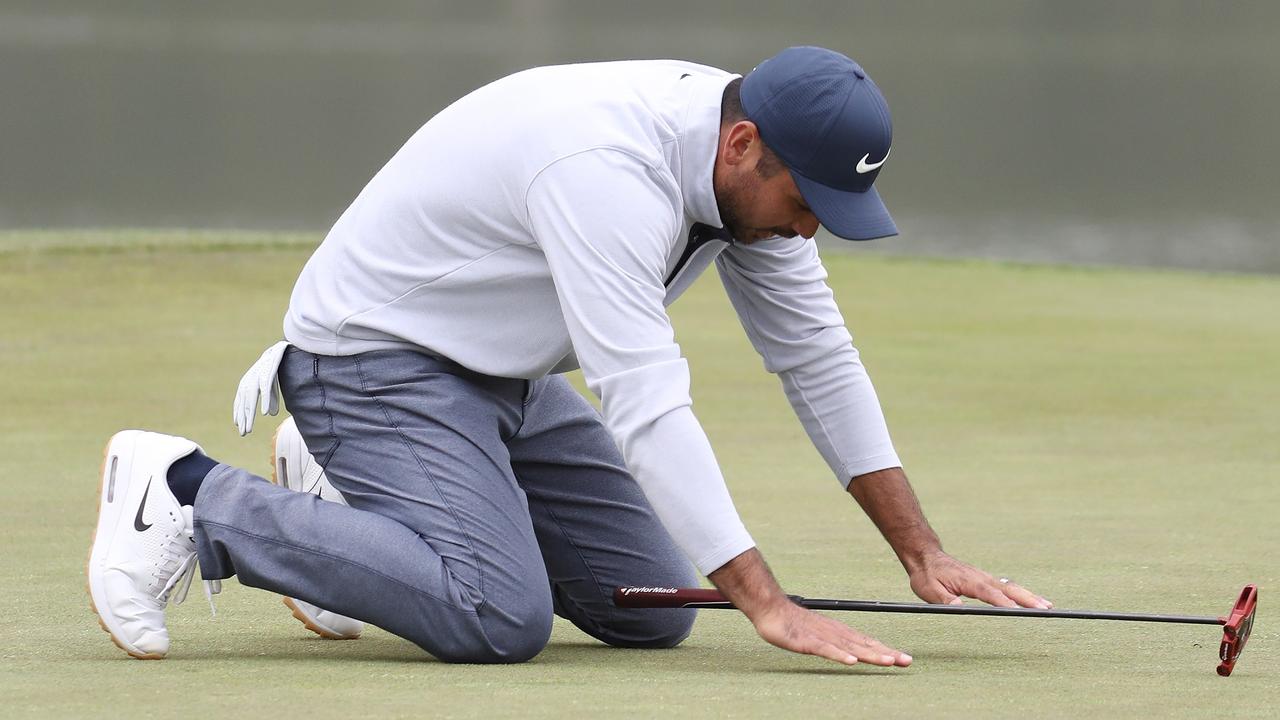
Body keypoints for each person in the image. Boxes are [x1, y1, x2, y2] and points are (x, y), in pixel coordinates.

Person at [87, 46, 1051, 665]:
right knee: (497, 615)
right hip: (372, 361)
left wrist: (920, 552)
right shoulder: (606, 172)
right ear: (744, 144)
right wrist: (769, 605)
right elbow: (645, 402)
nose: (809, 232)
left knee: (653, 607)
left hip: (499, 374)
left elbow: (818, 361)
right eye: (806, 204)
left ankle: (361, 498)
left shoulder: (747, 178)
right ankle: (189, 497)